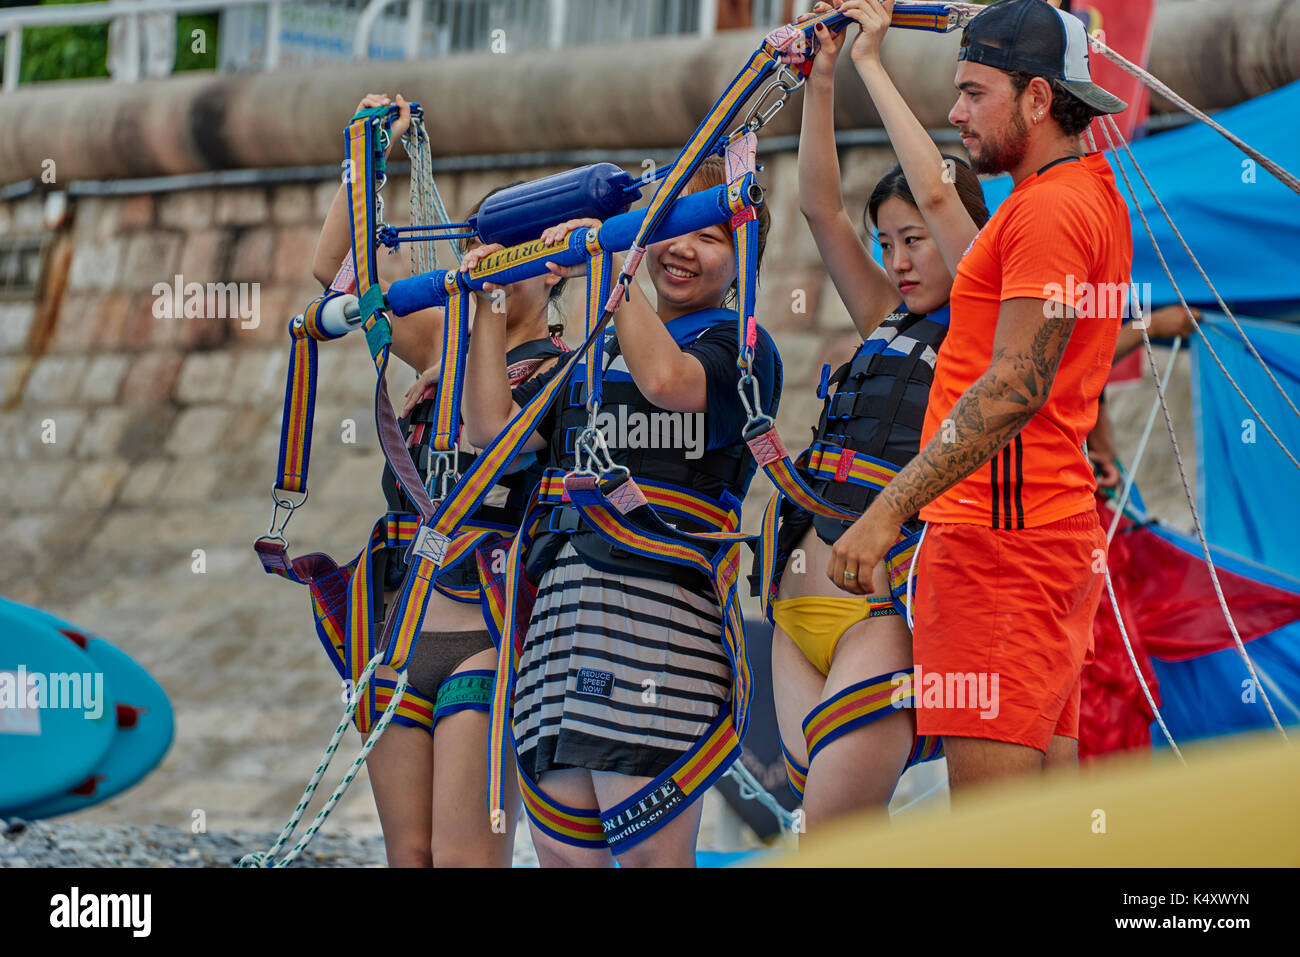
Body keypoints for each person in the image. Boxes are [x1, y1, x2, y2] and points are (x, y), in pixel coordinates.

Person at [828, 0, 1134, 792]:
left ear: (1038, 98)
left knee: (997, 836)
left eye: (974, 93)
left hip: (1003, 547)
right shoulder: (1070, 193)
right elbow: (934, 197)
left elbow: (1016, 384)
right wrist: (865, 62)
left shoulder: (1053, 208)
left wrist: (888, 507)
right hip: (1040, 536)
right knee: (1038, 830)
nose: (956, 112)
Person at [461, 154, 780, 867]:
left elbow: (667, 380)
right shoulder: (590, 356)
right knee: (565, 857)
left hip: (657, 622)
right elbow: (493, 433)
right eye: (667, 229)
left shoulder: (743, 346)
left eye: (711, 236)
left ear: (747, 255)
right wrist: (487, 298)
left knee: (648, 859)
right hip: (559, 625)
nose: (684, 249)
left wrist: (614, 263)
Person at [311, 93, 569, 866]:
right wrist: (363, 154)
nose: (491, 262)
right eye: (482, 244)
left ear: (550, 268)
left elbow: (495, 434)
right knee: (409, 856)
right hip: (395, 629)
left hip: (485, 635)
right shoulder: (438, 346)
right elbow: (339, 275)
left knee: (466, 858)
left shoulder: (566, 372)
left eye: (511, 251)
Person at [762, 0, 987, 830]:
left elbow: (935, 183)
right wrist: (820, 81)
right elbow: (820, 208)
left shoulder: (977, 323)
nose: (895, 261)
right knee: (835, 829)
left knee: (834, 832)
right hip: (792, 615)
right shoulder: (882, 319)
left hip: (880, 618)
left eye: (914, 240)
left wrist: (871, 61)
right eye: (886, 242)